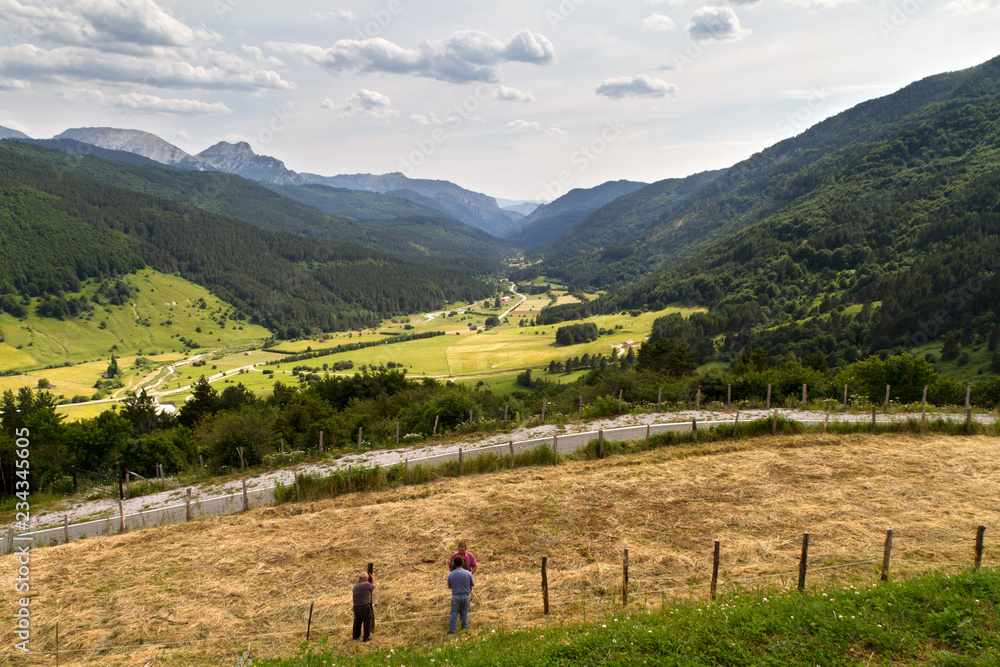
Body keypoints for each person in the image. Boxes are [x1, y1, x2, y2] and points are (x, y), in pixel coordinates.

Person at [447, 556, 474, 634]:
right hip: (466, 595)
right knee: (465, 612)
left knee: (454, 613)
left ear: (454, 564)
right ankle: (464, 628)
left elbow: (449, 586)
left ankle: (452, 630)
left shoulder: (451, 574)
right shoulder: (468, 573)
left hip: (456, 596)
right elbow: (472, 584)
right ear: (462, 563)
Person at [352, 572, 375, 642]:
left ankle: (356, 637)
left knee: (357, 622)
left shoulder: (355, 586)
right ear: (365, 578)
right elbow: (373, 586)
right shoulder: (366, 584)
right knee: (367, 622)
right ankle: (366, 638)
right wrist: (373, 578)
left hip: (356, 606)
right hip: (364, 606)